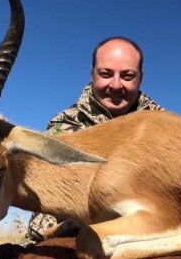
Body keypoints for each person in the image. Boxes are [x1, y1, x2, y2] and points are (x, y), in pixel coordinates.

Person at [27, 36, 164, 242]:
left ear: (140, 78)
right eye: (106, 74)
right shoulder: (64, 126)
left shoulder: (161, 125)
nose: (116, 85)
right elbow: (47, 208)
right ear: (92, 74)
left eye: (127, 76)